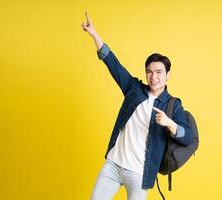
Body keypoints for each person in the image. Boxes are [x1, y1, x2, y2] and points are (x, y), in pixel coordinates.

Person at [81, 12, 193, 200]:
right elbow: (113, 64)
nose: (153, 77)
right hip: (113, 165)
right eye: (149, 72)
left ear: (168, 75)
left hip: (139, 173)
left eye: (159, 72)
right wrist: (94, 34)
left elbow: (187, 136)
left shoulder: (173, 105)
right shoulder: (134, 89)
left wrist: (169, 123)